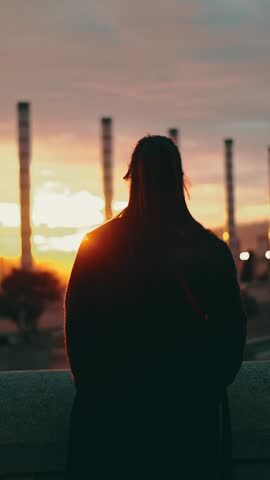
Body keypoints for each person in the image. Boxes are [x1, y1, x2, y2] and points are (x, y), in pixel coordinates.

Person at [65, 135, 247, 479]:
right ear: (180, 181)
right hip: (187, 416)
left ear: (131, 179)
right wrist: (204, 388)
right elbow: (231, 333)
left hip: (111, 414)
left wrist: (96, 388)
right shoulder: (209, 249)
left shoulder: (96, 246)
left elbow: (79, 329)